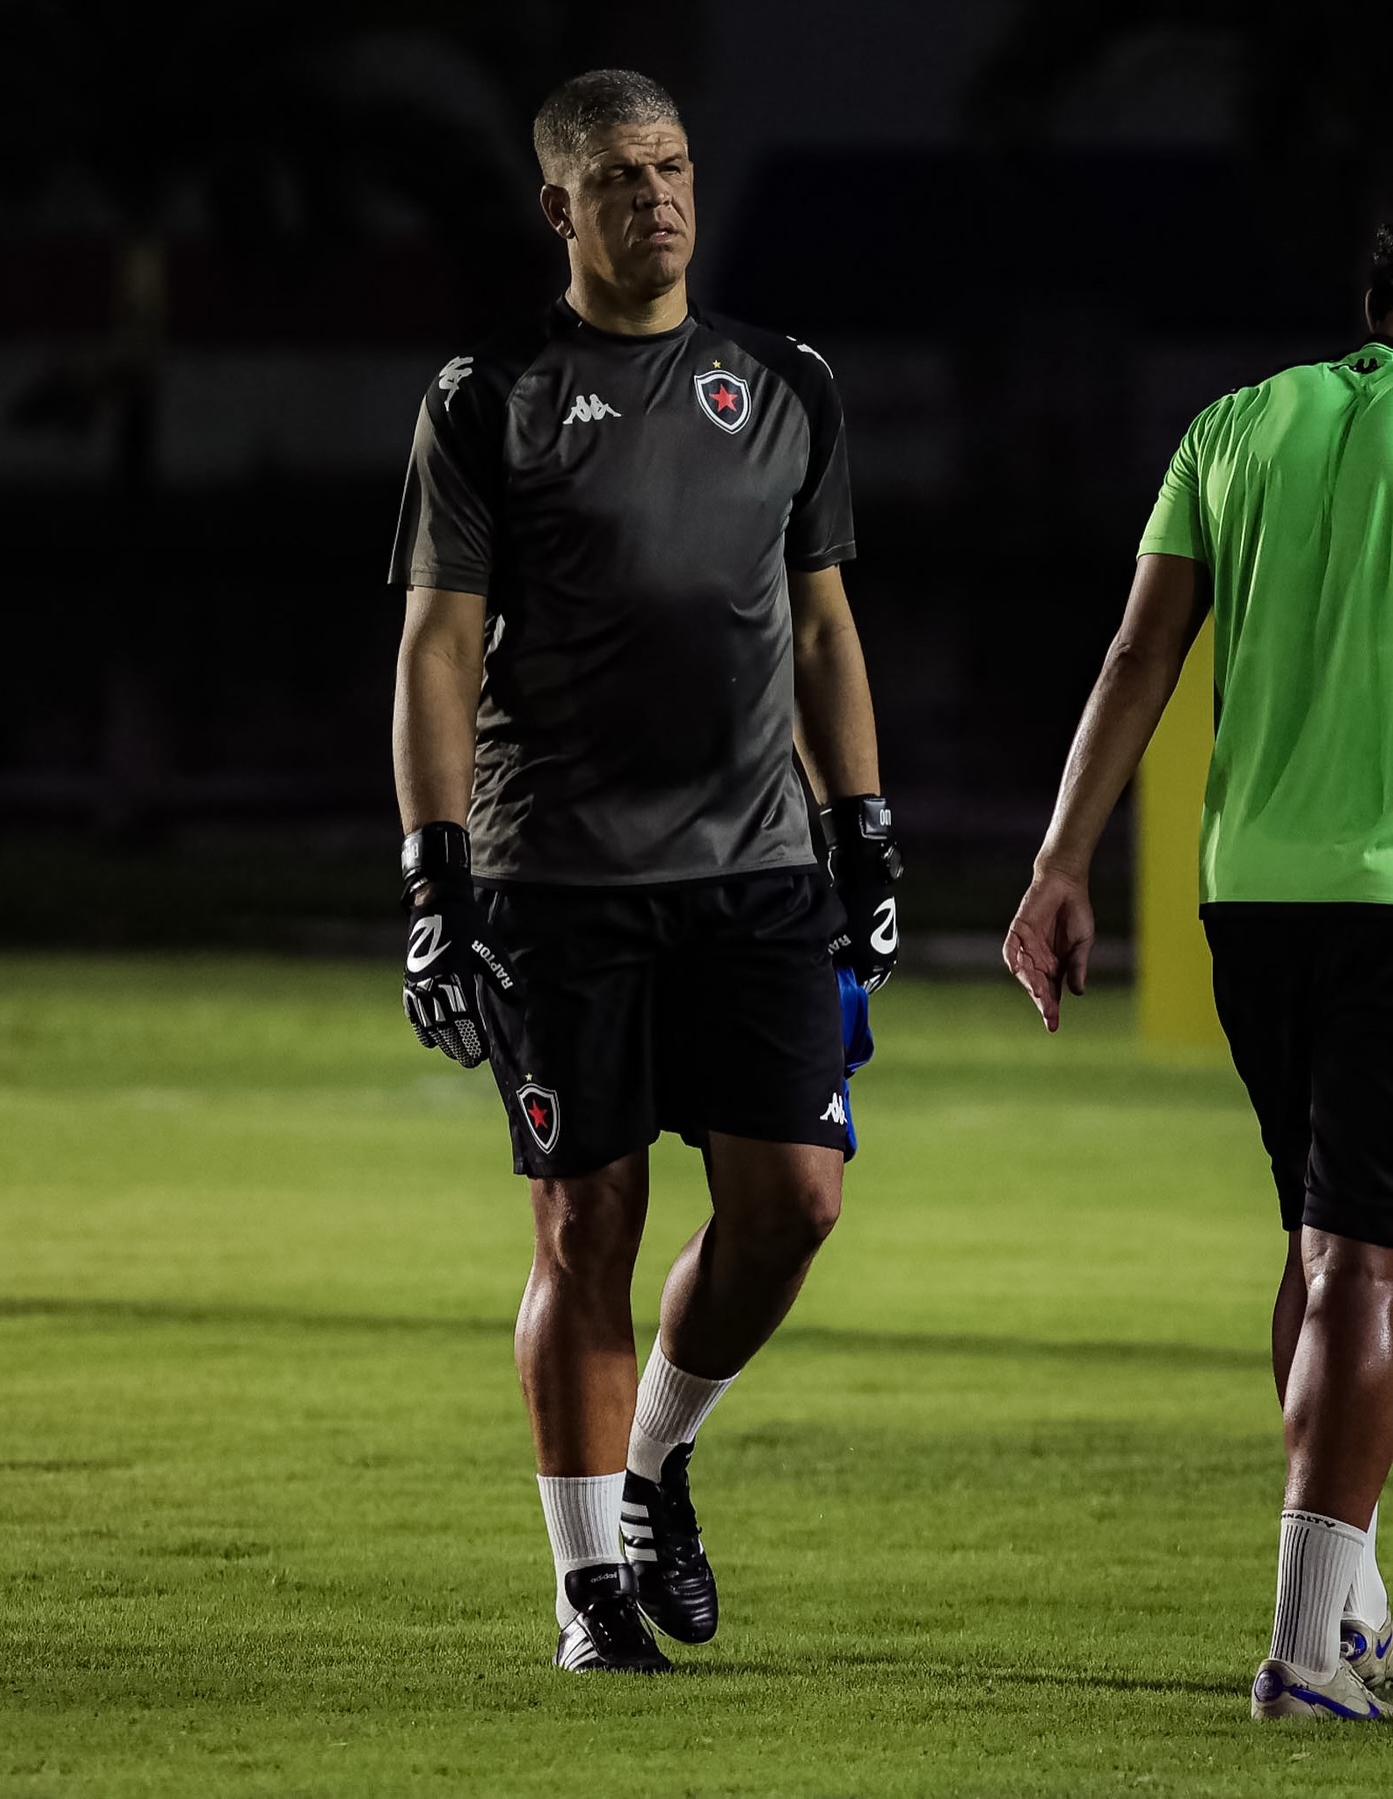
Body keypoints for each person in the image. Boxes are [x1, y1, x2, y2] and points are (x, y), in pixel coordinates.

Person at [388, 68, 899, 1674]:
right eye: (620, 176)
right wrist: (432, 884)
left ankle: (658, 1463)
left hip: (754, 876)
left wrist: (866, 826)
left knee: (794, 1206)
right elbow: (436, 650)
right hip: (561, 885)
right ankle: (585, 1586)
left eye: (673, 167)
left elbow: (821, 625)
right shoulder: (489, 399)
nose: (657, 197)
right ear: (562, 207)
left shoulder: (784, 380)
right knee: (583, 1223)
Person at [1003, 225, 1393, 1722]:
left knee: (1324, 1247)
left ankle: (1349, 1607)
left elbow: (1135, 658)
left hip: (1249, 902)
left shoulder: (1232, 425)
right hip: (1383, 900)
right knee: (1363, 1263)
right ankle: (1306, 1652)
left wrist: (1058, 862)